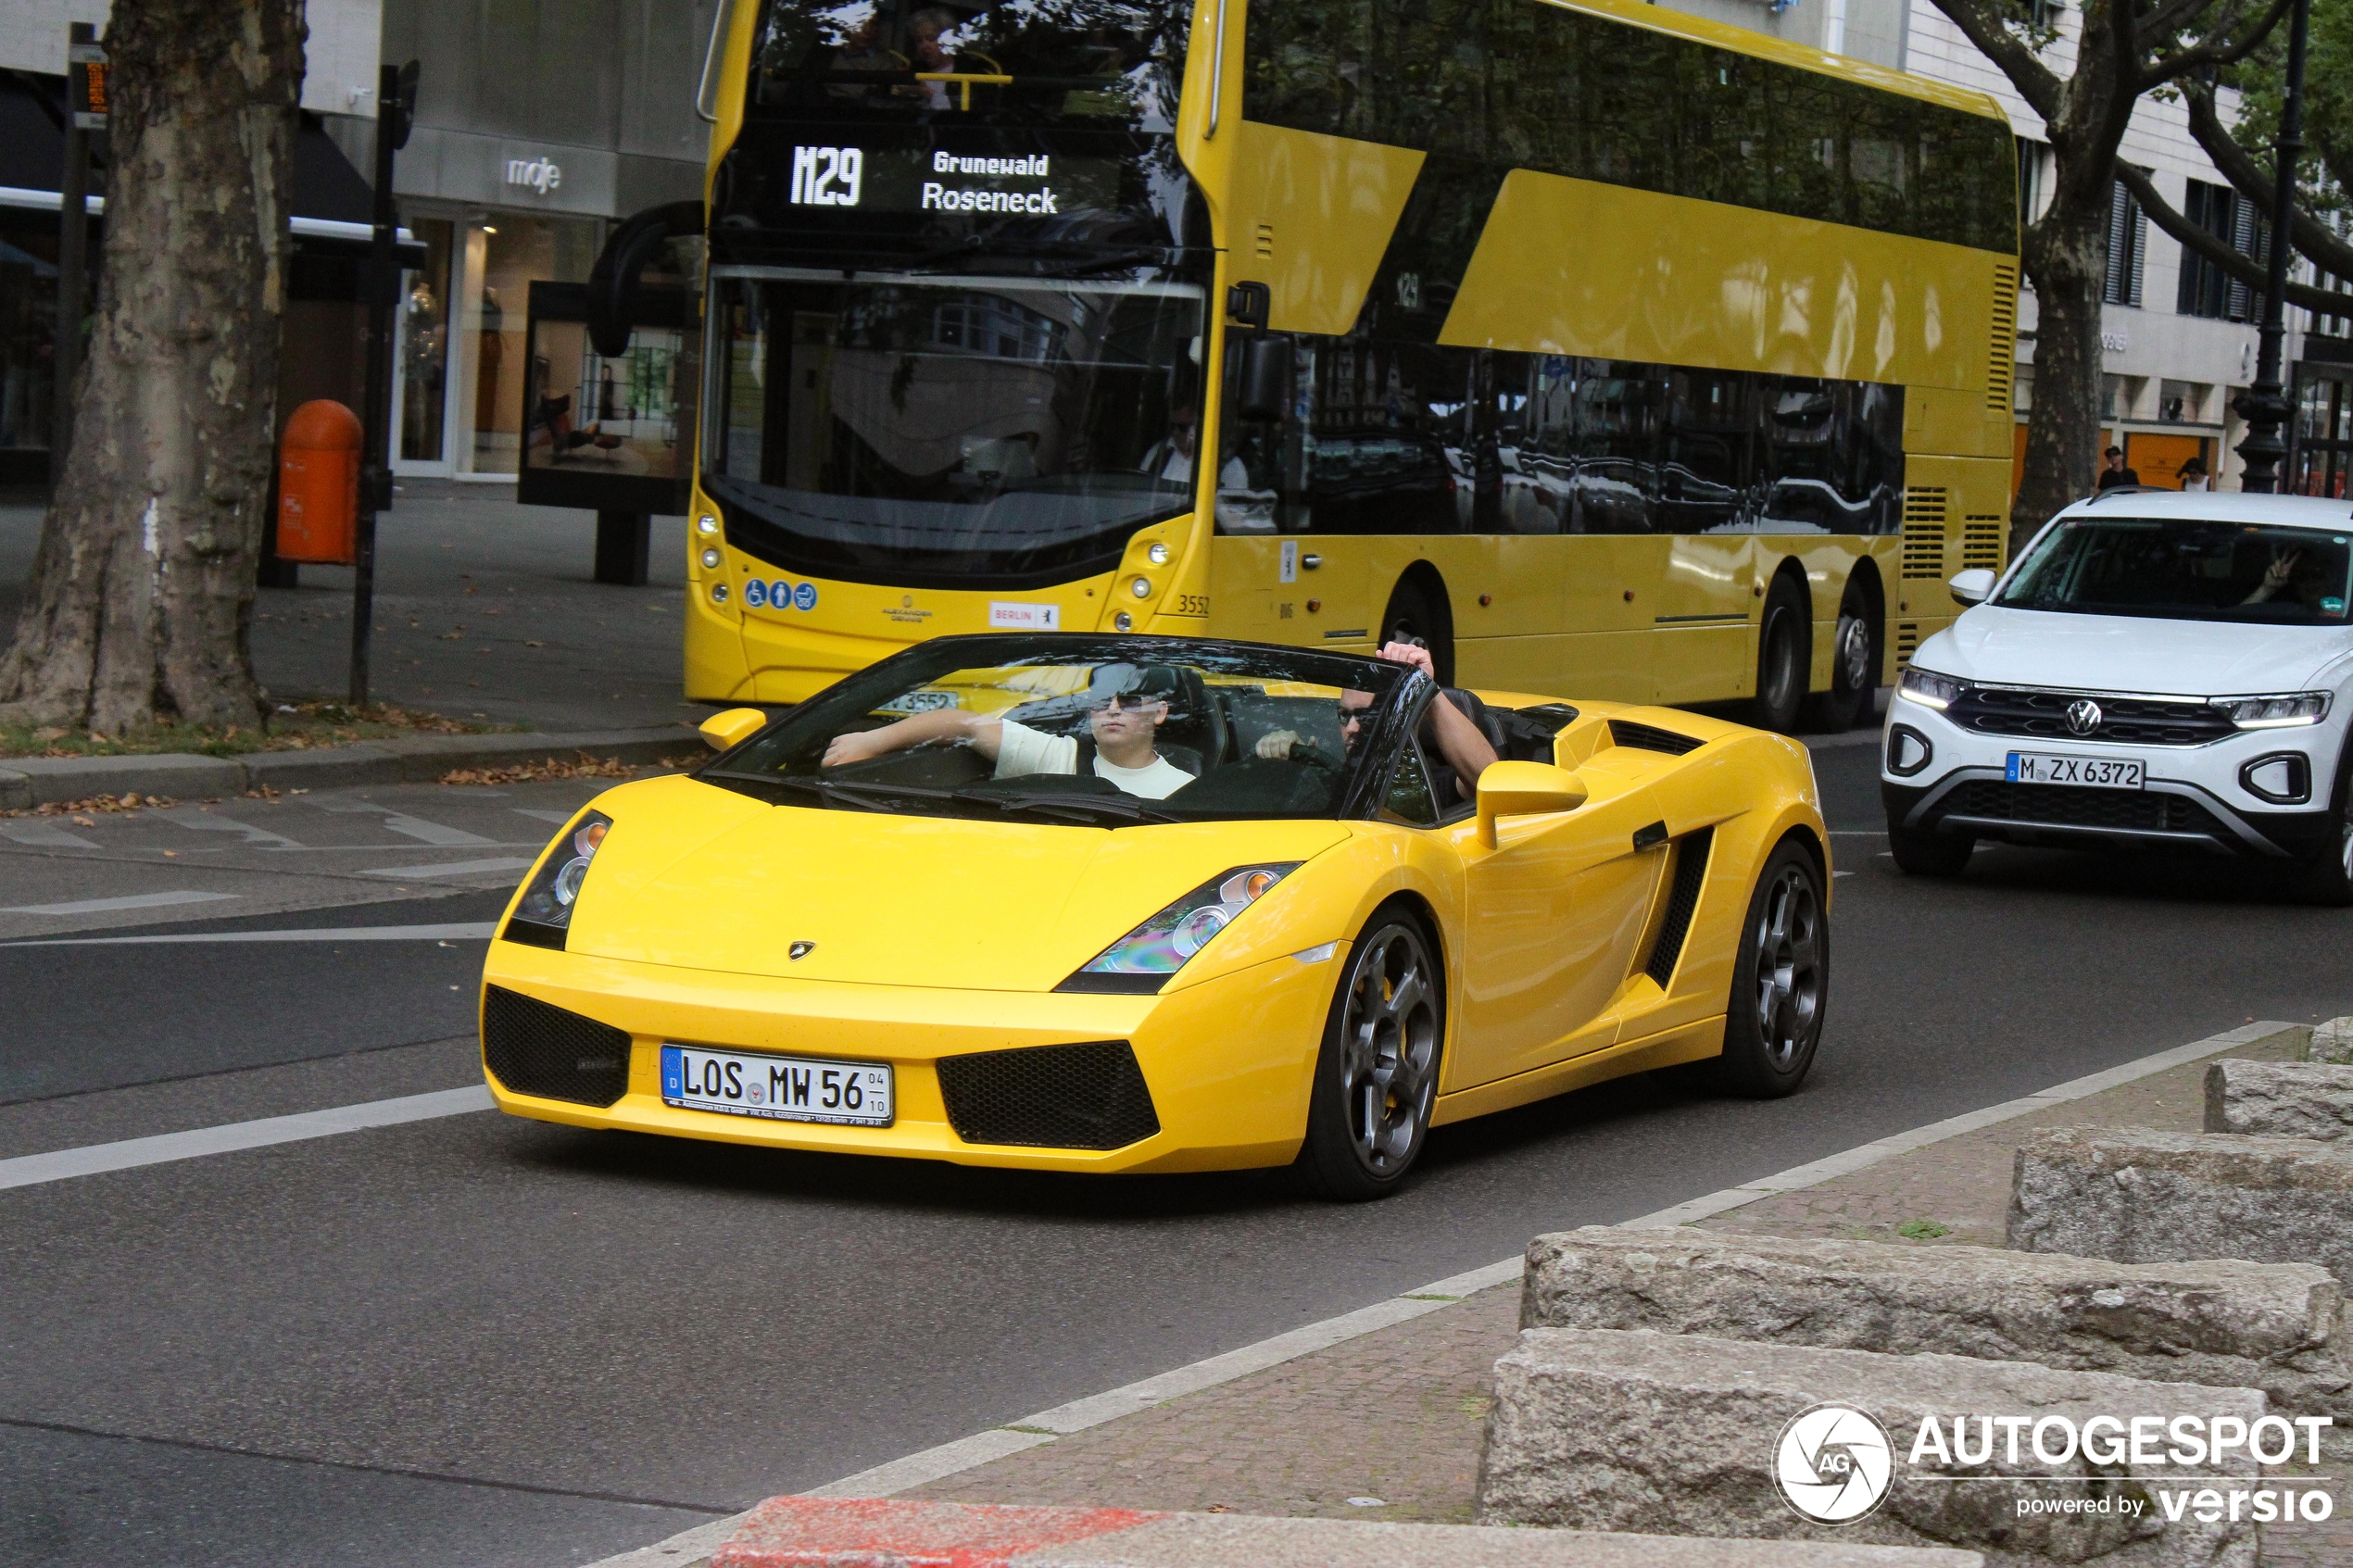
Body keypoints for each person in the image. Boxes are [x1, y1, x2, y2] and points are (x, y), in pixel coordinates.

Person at [822, 662, 1197, 798]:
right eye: (1101, 700)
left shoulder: (1183, 789)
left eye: (1130, 702)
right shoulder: (1059, 754)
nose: (1112, 710)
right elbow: (962, 723)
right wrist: (870, 739)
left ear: (1160, 713)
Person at [1254, 642, 1499, 806]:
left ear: (1404, 719)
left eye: (1367, 716)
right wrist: (1281, 757)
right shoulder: (1325, 773)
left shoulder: (1431, 784)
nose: (1351, 728)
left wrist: (1427, 692)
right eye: (1344, 716)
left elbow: (1489, 780)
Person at [1139, 406, 1248, 489]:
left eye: (1182, 427)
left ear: (1200, 426)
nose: (1176, 432)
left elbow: (1234, 512)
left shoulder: (1230, 466)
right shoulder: (1157, 453)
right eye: (1173, 426)